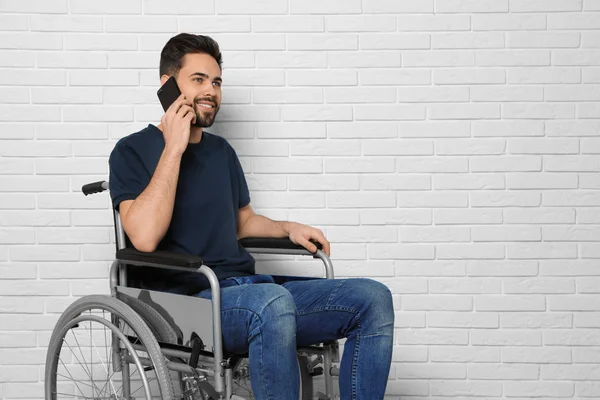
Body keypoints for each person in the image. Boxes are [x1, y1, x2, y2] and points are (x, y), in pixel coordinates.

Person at [108, 33, 394, 400]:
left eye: (216, 81)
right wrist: (174, 148)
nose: (211, 90)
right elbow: (144, 238)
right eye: (198, 80)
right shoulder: (131, 150)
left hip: (251, 292)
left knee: (372, 298)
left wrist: (287, 228)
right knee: (270, 304)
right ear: (168, 86)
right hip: (188, 301)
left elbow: (242, 222)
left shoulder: (222, 152)